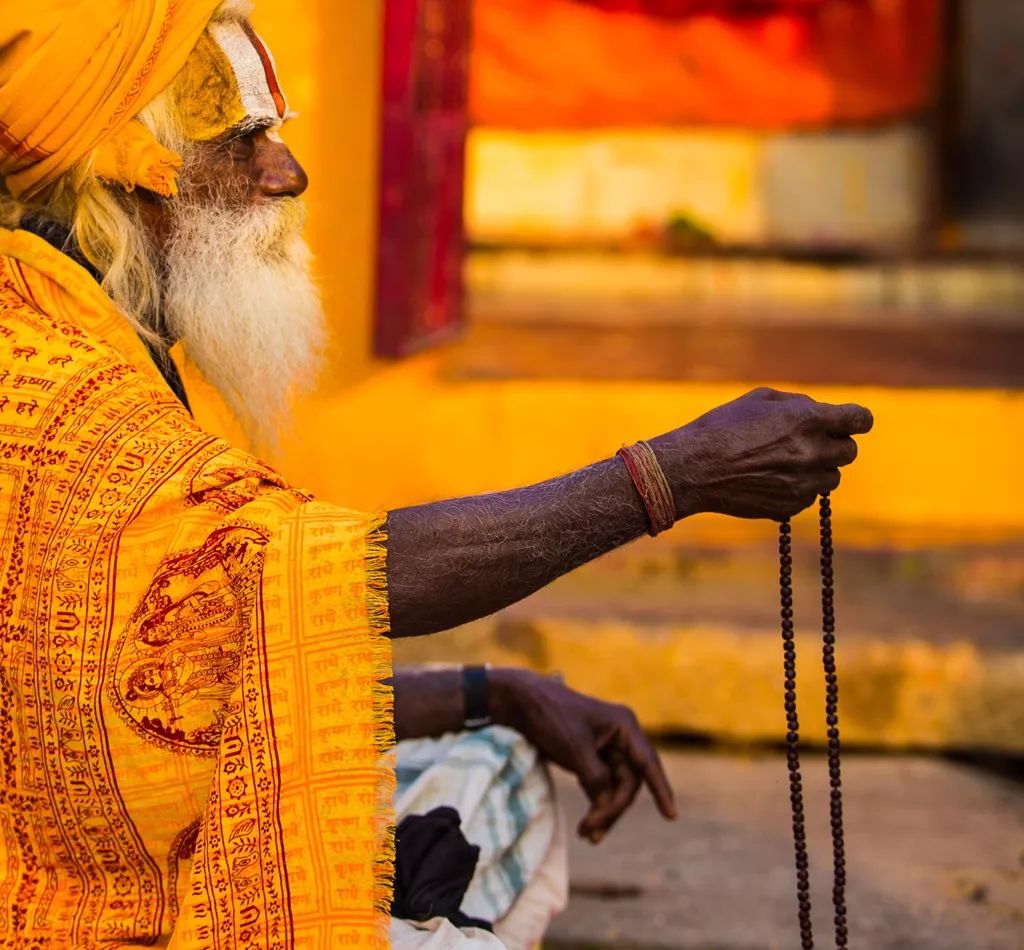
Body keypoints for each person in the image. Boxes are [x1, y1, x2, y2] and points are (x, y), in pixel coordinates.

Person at [0, 1, 872, 947]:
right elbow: (297, 575)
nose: (287, 173)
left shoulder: (102, 324)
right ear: (135, 170)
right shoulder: (45, 376)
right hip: (71, 911)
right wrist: (669, 479)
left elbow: (208, 659)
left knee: (497, 758)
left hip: (125, 841)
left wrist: (491, 693)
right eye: (244, 139)